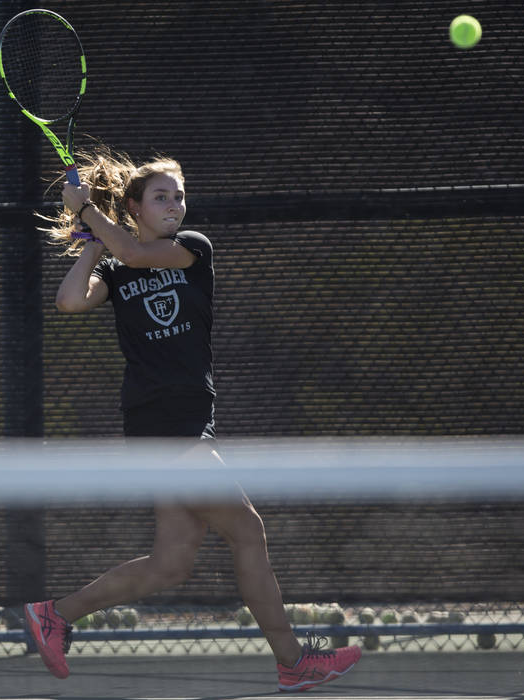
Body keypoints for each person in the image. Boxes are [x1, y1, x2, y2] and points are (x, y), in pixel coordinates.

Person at [26, 149, 360, 693]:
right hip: (162, 422)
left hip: (186, 420)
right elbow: (69, 301)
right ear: (134, 205)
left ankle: (55, 615)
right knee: (248, 530)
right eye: (161, 197)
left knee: (170, 564)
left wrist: (90, 215)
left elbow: (133, 250)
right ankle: (294, 661)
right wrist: (89, 242)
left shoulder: (191, 249)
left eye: (179, 196)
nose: (175, 205)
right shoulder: (117, 264)